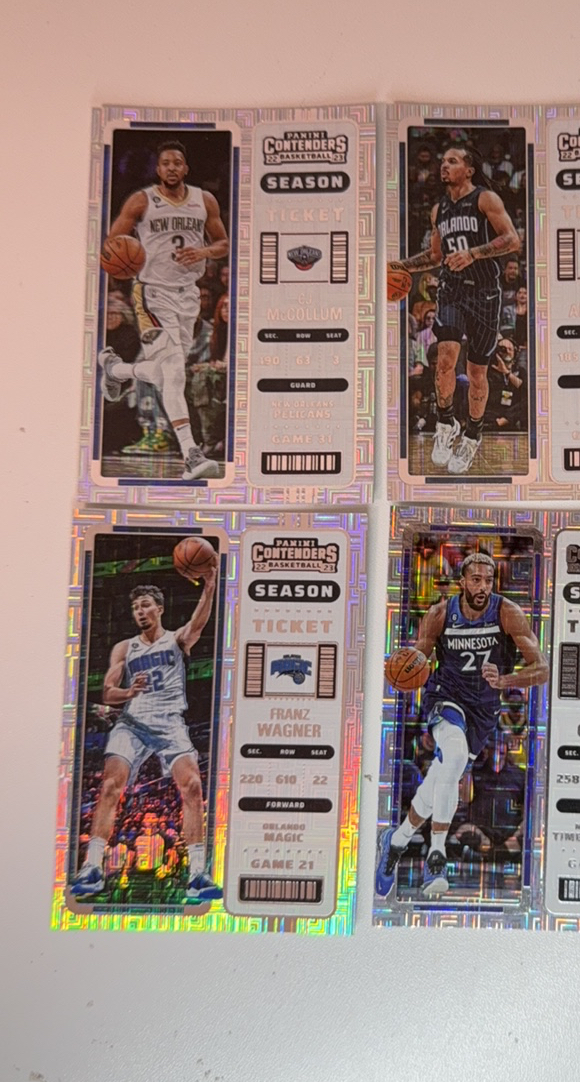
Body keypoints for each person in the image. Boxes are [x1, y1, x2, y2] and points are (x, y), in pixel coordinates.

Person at [375, 551, 548, 897]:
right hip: (446, 697)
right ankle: (436, 857)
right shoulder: (440, 614)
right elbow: (418, 660)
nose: (483, 587)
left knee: (442, 777)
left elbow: (542, 669)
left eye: (488, 581)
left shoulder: (507, 613)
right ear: (462, 582)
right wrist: (402, 670)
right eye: (476, 580)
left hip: (483, 709)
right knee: (453, 757)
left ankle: (396, 840)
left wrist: (505, 680)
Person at [70, 562, 222, 902]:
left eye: (145, 605)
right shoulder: (124, 648)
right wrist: (128, 692)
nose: (139, 611)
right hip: (133, 723)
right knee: (111, 785)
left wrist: (210, 584)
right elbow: (108, 693)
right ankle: (92, 867)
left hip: (169, 722)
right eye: (135, 607)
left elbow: (199, 621)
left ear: (159, 608)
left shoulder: (176, 640)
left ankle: (197, 873)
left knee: (193, 786)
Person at [97, 140, 229, 481]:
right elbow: (111, 244)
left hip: (188, 296)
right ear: (158, 169)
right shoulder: (141, 201)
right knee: (174, 374)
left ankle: (117, 369)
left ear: (186, 168)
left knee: (165, 374)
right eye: (166, 163)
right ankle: (191, 454)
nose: (171, 167)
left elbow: (224, 243)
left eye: (177, 162)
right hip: (152, 294)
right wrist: (128, 260)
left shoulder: (204, 200)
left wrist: (203, 253)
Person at [389, 147, 521, 474]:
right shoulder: (440, 210)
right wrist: (402, 266)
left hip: (485, 294)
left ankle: (473, 433)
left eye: (452, 161)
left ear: (469, 169)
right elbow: (436, 255)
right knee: (446, 357)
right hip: (452, 290)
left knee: (477, 373)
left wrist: (473, 254)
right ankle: (446, 422)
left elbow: (512, 240)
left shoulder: (485, 199)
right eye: (442, 161)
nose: (444, 165)